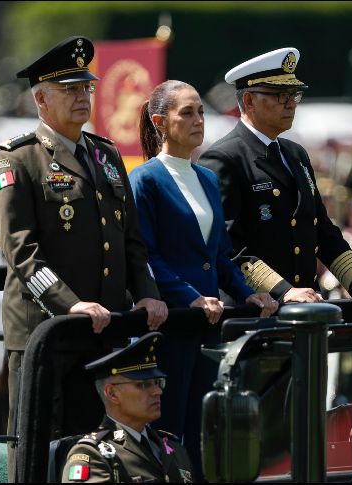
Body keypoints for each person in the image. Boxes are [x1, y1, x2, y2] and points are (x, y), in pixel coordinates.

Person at [0, 35, 168, 479]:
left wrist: (146, 294)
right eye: (69, 89)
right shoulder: (17, 161)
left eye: (86, 88)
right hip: (45, 331)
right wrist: (70, 305)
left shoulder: (104, 155)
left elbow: (130, 241)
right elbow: (22, 253)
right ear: (41, 99)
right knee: (36, 450)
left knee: (94, 450)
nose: (82, 97)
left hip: (102, 332)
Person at [129, 79, 278, 477]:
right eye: (186, 113)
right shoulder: (144, 179)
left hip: (208, 326)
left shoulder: (207, 178)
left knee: (202, 431)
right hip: (172, 325)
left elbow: (221, 256)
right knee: (167, 431)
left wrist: (249, 294)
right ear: (160, 122)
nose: (198, 121)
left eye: (199, 111)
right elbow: (145, 256)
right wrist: (190, 296)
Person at [198, 47, 352, 315]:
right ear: (249, 100)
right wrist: (283, 291)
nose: (290, 103)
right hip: (255, 312)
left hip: (305, 309)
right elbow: (229, 246)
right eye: (279, 96)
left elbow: (322, 230)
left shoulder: (294, 153)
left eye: (293, 95)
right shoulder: (224, 157)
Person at [61, 332, 194, 483]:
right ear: (112, 393)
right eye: (144, 385)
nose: (158, 391)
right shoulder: (93, 454)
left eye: (158, 382)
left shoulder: (172, 447)